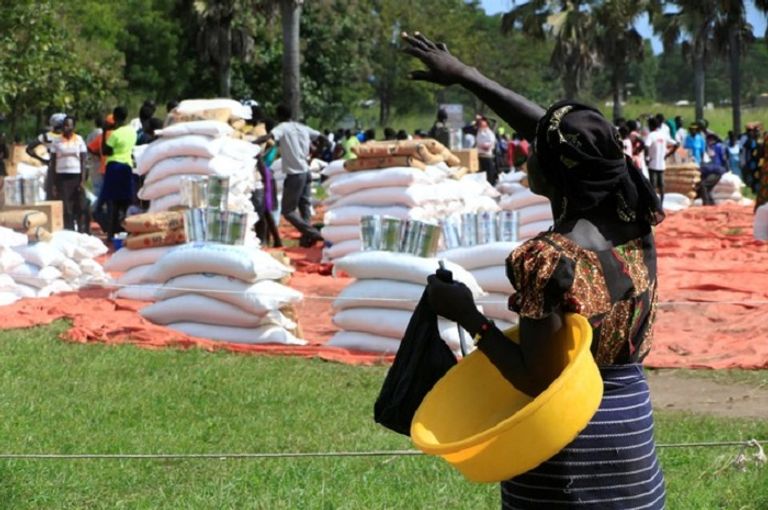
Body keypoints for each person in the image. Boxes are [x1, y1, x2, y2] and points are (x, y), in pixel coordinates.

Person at [403, 31, 666, 509]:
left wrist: (468, 316)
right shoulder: (636, 218)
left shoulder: (546, 259)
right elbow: (571, 140)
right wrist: (466, 77)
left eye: (535, 151)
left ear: (552, 171)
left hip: (566, 444)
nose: (527, 151)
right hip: (631, 434)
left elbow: (538, 379)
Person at [254, 105, 325, 247]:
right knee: (304, 207)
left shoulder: (282, 127)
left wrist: (253, 143)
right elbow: (323, 138)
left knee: (288, 211)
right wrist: (315, 154)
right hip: (306, 172)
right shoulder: (302, 127)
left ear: (278, 115)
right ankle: (307, 241)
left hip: (295, 174)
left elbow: (269, 137)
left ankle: (315, 235)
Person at [100, 106, 137, 243]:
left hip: (114, 167)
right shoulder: (131, 132)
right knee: (126, 201)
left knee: (113, 203)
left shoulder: (115, 134)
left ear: (114, 117)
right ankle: (127, 230)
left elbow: (105, 151)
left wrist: (104, 132)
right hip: (127, 167)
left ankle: (111, 234)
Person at [49, 116, 88, 231]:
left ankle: (81, 231)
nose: (65, 128)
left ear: (73, 127)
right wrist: (54, 183)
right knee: (66, 207)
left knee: (79, 206)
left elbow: (83, 161)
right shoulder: (56, 141)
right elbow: (53, 162)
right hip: (62, 177)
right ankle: (69, 230)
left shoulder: (79, 140)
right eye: (64, 125)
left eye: (68, 125)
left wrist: (82, 180)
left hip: (76, 176)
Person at [645, 117, 678, 204]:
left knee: (653, 184)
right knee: (661, 184)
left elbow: (646, 146)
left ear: (651, 126)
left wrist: (647, 158)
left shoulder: (651, 135)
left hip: (653, 163)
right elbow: (676, 144)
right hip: (662, 163)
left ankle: (653, 203)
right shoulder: (664, 135)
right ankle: (661, 203)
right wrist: (668, 155)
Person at [698, 134, 728, 206]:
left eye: (710, 139)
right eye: (708, 140)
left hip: (717, 171)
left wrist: (726, 169)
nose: (709, 141)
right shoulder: (708, 148)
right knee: (704, 186)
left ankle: (706, 204)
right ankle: (711, 203)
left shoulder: (718, 147)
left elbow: (724, 159)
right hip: (709, 170)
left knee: (704, 185)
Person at [475, 117, 498, 185]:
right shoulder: (479, 131)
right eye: (479, 124)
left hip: (487, 156)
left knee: (489, 174)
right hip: (480, 155)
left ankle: (490, 185)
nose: (480, 126)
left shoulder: (489, 133)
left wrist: (484, 145)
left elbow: (491, 142)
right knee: (482, 174)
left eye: (482, 124)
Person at [754, 132, 768, 211]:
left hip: (766, 168)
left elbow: (760, 153)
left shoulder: (766, 137)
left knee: (764, 189)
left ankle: (761, 208)